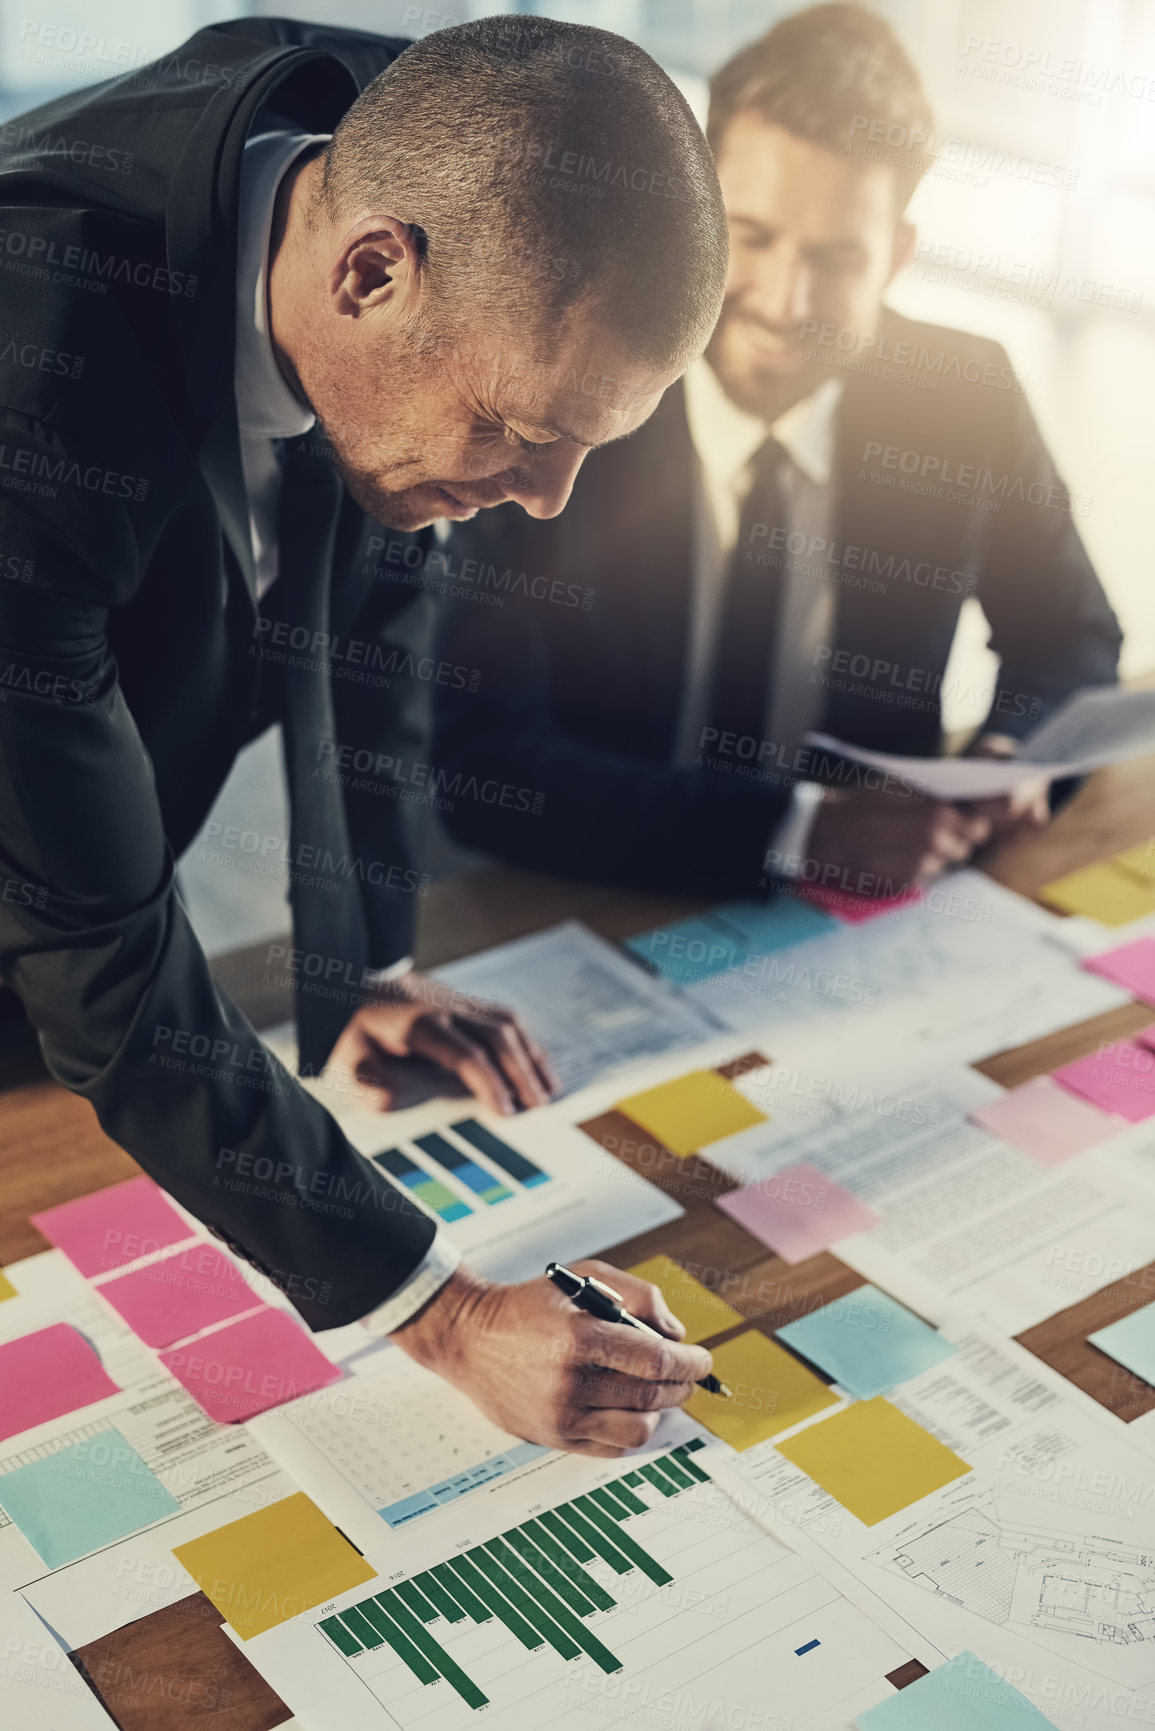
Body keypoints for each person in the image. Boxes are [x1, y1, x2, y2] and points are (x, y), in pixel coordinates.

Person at [0, 15, 727, 1452]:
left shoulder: (409, 145)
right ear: (368, 272)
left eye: (596, 439)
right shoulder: (33, 395)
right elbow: (101, 956)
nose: (550, 499)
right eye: (524, 429)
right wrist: (441, 1309)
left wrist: (366, 960)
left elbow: (378, 612)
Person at [433, 2, 1122, 903]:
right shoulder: (570, 389)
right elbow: (477, 758)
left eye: (835, 257)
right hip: (585, 894)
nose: (784, 300)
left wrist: (1013, 759)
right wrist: (800, 832)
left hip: (867, 914)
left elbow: (1072, 639)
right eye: (750, 238)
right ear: (698, 212)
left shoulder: (963, 398)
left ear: (895, 256)